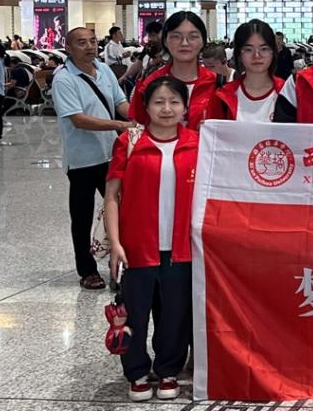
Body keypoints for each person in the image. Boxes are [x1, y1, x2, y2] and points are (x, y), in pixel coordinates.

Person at [105, 76, 196, 402]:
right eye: (159, 102)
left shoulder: (197, 144)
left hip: (182, 249)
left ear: (185, 107)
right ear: (145, 107)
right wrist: (115, 244)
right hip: (137, 248)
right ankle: (137, 373)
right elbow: (111, 196)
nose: (167, 109)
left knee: (175, 314)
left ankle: (168, 370)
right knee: (134, 314)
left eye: (174, 102)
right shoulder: (129, 142)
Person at [52, 27, 135, 290]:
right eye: (81, 42)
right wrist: (119, 125)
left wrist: (142, 116)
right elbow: (78, 119)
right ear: (68, 48)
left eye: (92, 41)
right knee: (82, 217)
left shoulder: (104, 70)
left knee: (122, 211)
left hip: (111, 155)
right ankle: (87, 270)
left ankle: (122, 265)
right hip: (81, 161)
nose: (89, 47)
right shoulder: (64, 79)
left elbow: (120, 102)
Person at [128, 12, 216, 131]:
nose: (184, 43)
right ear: (165, 41)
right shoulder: (150, 84)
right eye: (176, 37)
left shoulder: (217, 84)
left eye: (193, 37)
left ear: (203, 41)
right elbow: (138, 129)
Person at [207, 20, 284, 122]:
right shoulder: (222, 96)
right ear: (239, 54)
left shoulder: (287, 93)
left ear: (273, 52)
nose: (257, 55)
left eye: (264, 49)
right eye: (248, 50)